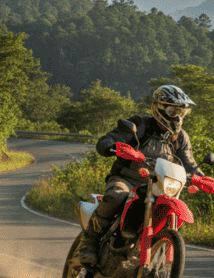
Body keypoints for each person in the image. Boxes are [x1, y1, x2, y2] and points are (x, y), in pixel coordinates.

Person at [77, 84, 204, 265]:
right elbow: (110, 138)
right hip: (126, 179)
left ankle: (153, 254)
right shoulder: (140, 125)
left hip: (159, 187)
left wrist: (202, 178)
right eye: (172, 110)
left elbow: (190, 164)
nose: (176, 116)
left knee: (170, 208)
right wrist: (113, 146)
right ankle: (88, 244)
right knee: (116, 196)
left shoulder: (181, 138)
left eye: (181, 112)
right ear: (159, 108)